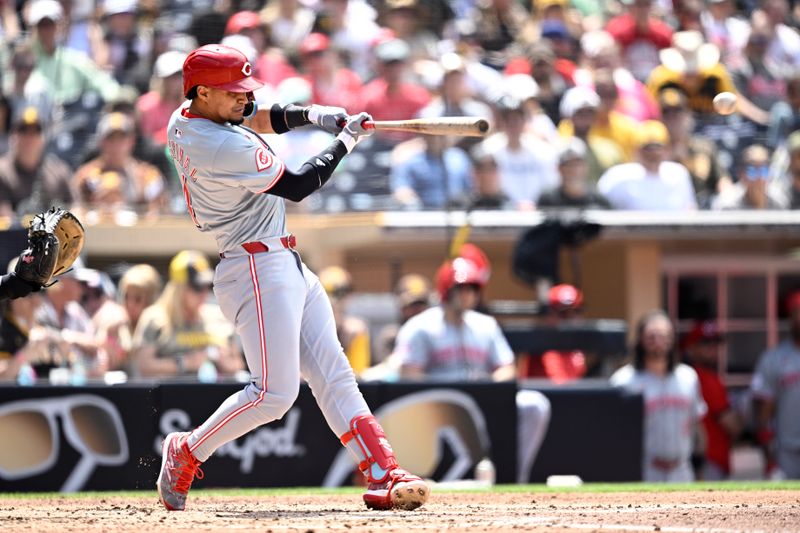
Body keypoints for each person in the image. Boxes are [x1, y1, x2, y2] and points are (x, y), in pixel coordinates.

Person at [156, 43, 429, 512]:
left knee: (335, 374)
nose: (245, 99)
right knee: (273, 394)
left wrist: (318, 116)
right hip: (254, 267)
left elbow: (260, 115)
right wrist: (346, 140)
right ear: (202, 93)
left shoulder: (190, 115)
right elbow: (300, 185)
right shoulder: (217, 144)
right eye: (234, 91)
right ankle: (187, 449)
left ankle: (383, 470)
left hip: (282, 260)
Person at [394, 256, 552, 483]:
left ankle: (517, 477)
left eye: (472, 288)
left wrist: (487, 386)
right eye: (461, 288)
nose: (467, 294)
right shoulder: (421, 326)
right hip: (438, 404)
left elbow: (507, 368)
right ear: (446, 290)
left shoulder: (485, 325)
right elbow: (408, 373)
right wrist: (450, 388)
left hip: (483, 399)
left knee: (534, 404)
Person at [610, 310, 707, 482]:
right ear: (640, 339)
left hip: (682, 470)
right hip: (644, 469)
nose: (658, 342)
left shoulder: (688, 377)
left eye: (663, 336)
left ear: (672, 340)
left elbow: (697, 425)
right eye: (651, 337)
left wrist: (700, 465)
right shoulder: (623, 380)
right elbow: (614, 433)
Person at [131, 250, 242, 380]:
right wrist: (186, 363)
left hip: (215, 394)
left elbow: (238, 364)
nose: (204, 293)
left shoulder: (218, 316)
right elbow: (144, 367)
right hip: (171, 395)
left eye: (207, 285)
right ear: (179, 289)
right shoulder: (155, 319)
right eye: (197, 287)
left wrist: (226, 363)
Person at [73, 111, 167, 217]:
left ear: (132, 141)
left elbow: (159, 213)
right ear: (101, 142)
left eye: (121, 138)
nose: (116, 145)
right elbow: (76, 211)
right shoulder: (85, 176)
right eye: (110, 138)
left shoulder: (147, 176)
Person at [682, 320, 742, 480]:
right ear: (691, 348)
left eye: (715, 343)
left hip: (698, 457)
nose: (713, 349)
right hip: (708, 458)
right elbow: (732, 425)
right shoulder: (702, 378)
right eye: (705, 344)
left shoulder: (686, 376)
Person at [750, 290, 800, 480]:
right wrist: (769, 458)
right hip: (786, 450)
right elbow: (763, 409)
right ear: (791, 317)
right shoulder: (774, 358)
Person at [598, 120, 698, 211]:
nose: (653, 153)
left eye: (658, 147)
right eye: (647, 148)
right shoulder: (618, 176)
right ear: (636, 150)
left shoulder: (678, 173)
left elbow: (690, 208)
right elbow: (599, 206)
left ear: (667, 149)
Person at [0, 105, 74, 218]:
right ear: (12, 136)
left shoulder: (59, 171)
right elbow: (4, 218)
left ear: (42, 138)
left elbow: (76, 207)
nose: (29, 138)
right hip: (16, 234)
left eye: (35, 132)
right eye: (23, 131)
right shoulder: (3, 172)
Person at [318, 265, 371, 375]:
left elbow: (358, 375)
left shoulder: (355, 330)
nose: (335, 301)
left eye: (342, 293)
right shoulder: (303, 327)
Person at [538, 137, 612, 209]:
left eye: (577, 164)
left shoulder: (599, 201)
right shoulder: (547, 200)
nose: (573, 170)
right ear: (559, 168)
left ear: (585, 167)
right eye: (567, 165)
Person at [712, 144, 787, 210]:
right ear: (741, 174)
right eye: (752, 171)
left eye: (764, 171)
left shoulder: (779, 202)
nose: (759, 178)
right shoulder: (726, 205)